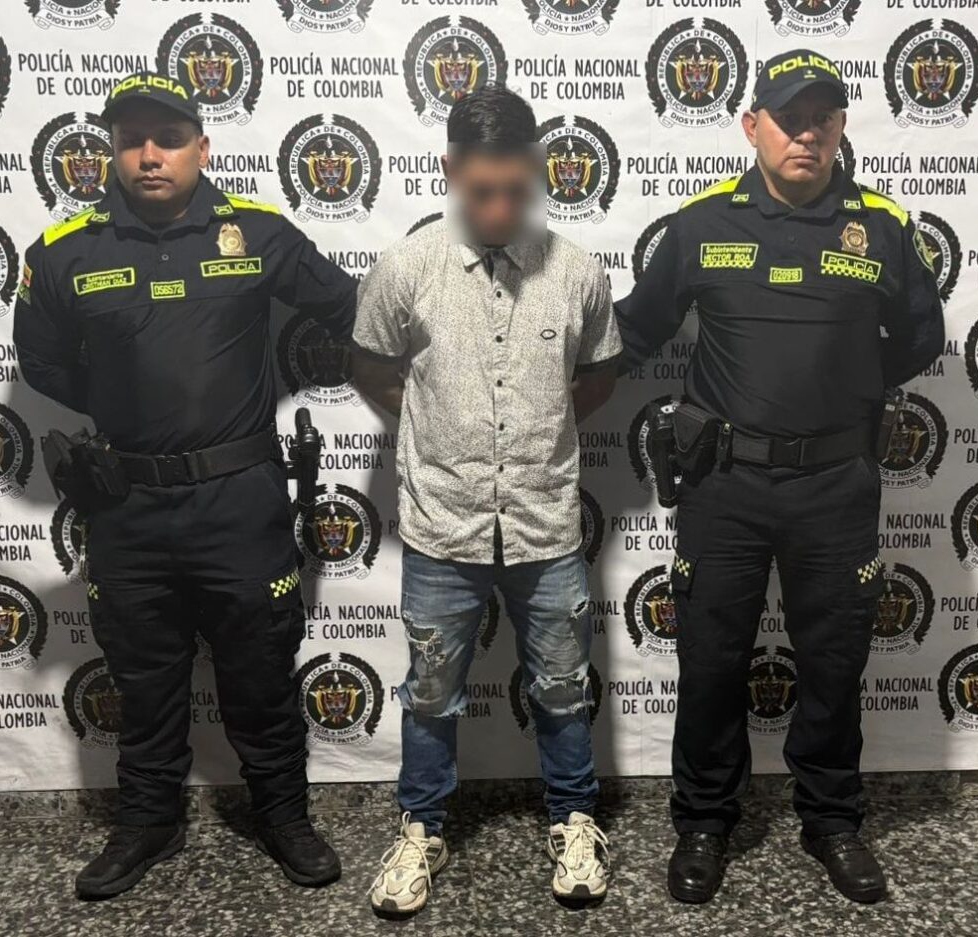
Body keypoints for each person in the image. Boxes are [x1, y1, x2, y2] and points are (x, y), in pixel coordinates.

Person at [13, 72, 358, 899]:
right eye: (130, 140)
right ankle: (147, 822)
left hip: (240, 502)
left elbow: (348, 306)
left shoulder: (259, 233)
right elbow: (44, 364)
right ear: (110, 152)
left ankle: (283, 815)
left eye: (167, 139)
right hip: (126, 506)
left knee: (261, 675)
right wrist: (127, 406)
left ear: (202, 147)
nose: (149, 155)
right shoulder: (64, 252)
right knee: (144, 682)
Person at [615, 50, 943, 905]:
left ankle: (831, 820)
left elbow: (920, 338)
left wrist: (845, 385)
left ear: (840, 127)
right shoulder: (700, 225)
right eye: (789, 118)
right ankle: (703, 820)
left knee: (834, 661)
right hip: (724, 485)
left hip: (837, 484)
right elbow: (637, 330)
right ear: (751, 125)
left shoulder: (881, 226)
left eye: (822, 117)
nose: (807, 133)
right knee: (712, 659)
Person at [352, 84, 620, 916]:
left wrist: (538, 431)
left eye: (515, 188)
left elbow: (600, 372)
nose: (500, 207)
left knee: (564, 686)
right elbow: (369, 362)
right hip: (442, 524)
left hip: (545, 524)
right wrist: (433, 420)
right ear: (450, 171)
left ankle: (574, 819)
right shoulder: (407, 268)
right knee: (431, 692)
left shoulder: (576, 271)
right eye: (481, 190)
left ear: (536, 169)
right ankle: (421, 828)